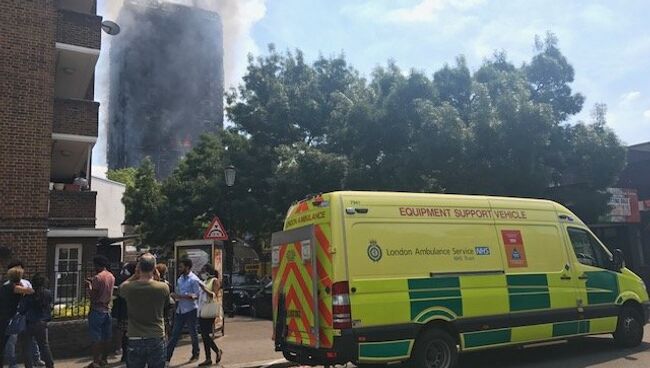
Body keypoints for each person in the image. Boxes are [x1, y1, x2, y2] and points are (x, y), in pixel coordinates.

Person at [120, 254, 170, 368]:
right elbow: (166, 304)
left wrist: (134, 276)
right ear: (154, 268)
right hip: (156, 335)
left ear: (139, 268)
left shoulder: (129, 288)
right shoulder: (163, 287)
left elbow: (121, 288)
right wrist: (158, 279)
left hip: (135, 336)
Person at [4, 261, 43, 368]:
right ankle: (12, 363)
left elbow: (31, 292)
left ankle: (36, 358)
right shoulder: (8, 286)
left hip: (25, 315)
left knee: (31, 339)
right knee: (11, 341)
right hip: (13, 316)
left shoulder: (25, 283)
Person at [166, 258, 200, 364]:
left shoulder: (194, 279)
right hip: (180, 310)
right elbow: (177, 292)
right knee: (175, 335)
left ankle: (195, 353)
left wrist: (183, 296)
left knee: (193, 333)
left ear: (187, 267)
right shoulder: (180, 279)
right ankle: (167, 357)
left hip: (190, 310)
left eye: (181, 266)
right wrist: (175, 297)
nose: (180, 268)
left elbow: (196, 295)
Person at [0, 267, 34, 368]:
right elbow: (31, 291)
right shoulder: (14, 287)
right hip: (6, 318)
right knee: (3, 343)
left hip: (4, 316)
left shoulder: (5, 287)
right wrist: (23, 286)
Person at [86, 255, 115, 368]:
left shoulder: (98, 278)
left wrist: (89, 285)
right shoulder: (111, 276)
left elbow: (93, 296)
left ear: (98, 265)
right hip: (107, 309)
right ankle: (104, 359)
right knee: (106, 336)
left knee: (96, 337)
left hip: (97, 309)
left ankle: (96, 361)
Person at [20, 274, 54, 368]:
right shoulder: (48, 293)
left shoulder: (28, 293)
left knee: (27, 347)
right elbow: (49, 306)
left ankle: (29, 366)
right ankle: (50, 365)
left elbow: (22, 309)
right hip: (42, 323)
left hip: (29, 323)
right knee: (44, 346)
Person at [197, 264, 222, 367]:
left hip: (210, 310)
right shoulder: (204, 281)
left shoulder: (214, 280)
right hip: (202, 310)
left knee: (206, 334)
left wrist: (203, 288)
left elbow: (214, 295)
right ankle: (208, 358)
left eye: (203, 270)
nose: (202, 273)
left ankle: (217, 350)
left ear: (208, 271)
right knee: (204, 335)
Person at [113, 263, 136, 363]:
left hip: (123, 310)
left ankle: (123, 353)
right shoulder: (136, 281)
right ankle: (129, 355)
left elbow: (118, 291)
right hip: (133, 311)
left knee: (123, 333)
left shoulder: (122, 280)